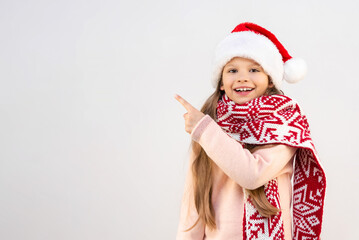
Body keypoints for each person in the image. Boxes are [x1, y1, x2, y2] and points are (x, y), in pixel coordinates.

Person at [174, 22, 326, 240]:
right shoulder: (210, 124)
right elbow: (192, 206)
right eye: (232, 70)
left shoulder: (285, 123)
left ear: (270, 80)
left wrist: (204, 130)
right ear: (222, 83)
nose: (243, 77)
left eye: (254, 69)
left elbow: (252, 175)